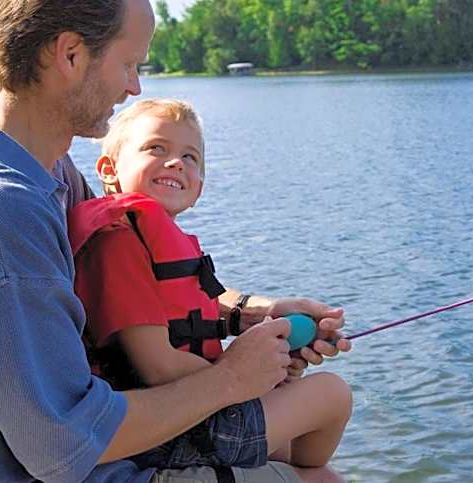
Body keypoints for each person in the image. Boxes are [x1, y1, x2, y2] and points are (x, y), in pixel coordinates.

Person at [0, 0, 350, 483]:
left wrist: (246, 314)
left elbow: (141, 283)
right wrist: (234, 378)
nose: (135, 86)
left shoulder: (42, 169)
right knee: (321, 479)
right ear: (71, 55)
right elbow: (62, 446)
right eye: (129, 63)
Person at [70, 98, 352, 472]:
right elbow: (154, 366)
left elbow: (196, 317)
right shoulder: (117, 244)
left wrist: (269, 359)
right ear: (109, 169)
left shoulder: (148, 239)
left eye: (191, 157)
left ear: (199, 186)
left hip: (194, 416)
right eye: (156, 148)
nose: (177, 162)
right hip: (167, 433)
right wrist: (246, 380)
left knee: (301, 440)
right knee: (332, 394)